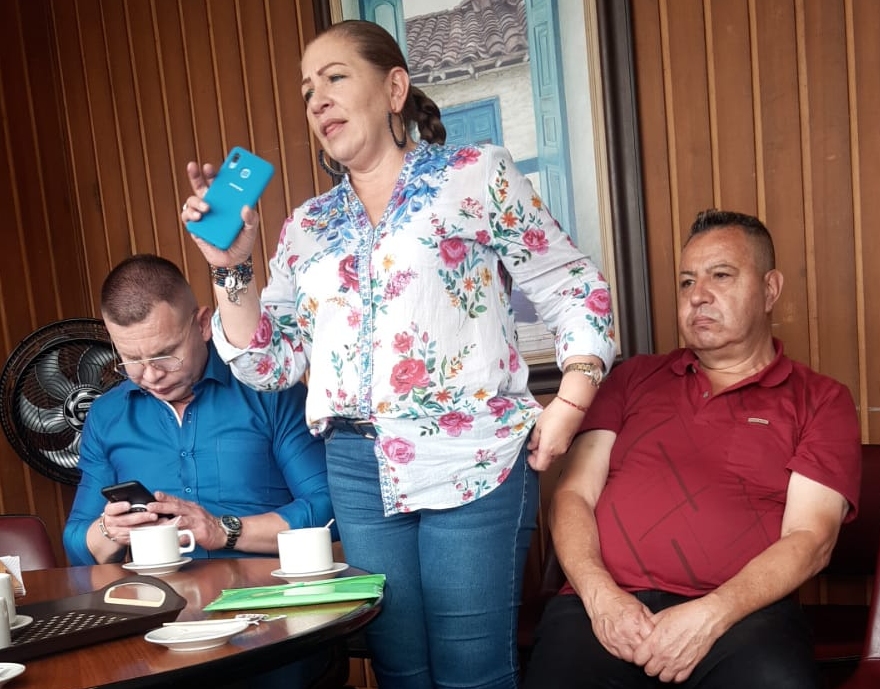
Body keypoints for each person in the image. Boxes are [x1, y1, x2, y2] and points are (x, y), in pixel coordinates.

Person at [180, 18, 616, 689]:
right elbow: (271, 363)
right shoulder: (307, 226)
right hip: (358, 471)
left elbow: (572, 286)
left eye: (335, 78)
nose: (318, 100)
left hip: (473, 455)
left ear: (393, 89)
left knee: (473, 675)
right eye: (307, 91)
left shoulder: (475, 175)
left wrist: (571, 402)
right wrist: (230, 266)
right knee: (400, 671)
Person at [522, 209, 862, 689]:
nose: (698, 295)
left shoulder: (820, 400)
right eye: (686, 282)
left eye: (721, 276)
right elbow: (573, 495)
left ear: (770, 290)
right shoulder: (633, 379)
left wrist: (710, 615)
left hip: (743, 616)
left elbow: (811, 538)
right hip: (603, 608)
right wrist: (601, 598)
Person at [64, 254, 334, 687]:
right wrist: (110, 531)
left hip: (271, 616)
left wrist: (223, 530)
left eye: (165, 354)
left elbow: (327, 508)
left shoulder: (268, 392)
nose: (151, 375)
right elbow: (77, 541)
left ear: (204, 324)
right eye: (131, 359)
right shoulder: (107, 415)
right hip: (160, 624)